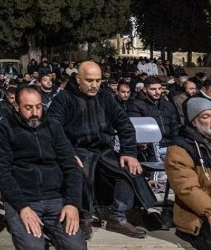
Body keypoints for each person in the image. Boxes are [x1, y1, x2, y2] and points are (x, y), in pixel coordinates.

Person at [48, 61, 156, 239]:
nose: (94, 85)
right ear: (78, 79)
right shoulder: (63, 99)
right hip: (77, 150)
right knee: (79, 171)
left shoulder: (106, 97)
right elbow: (53, 129)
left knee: (130, 169)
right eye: (89, 80)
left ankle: (117, 216)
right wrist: (67, 154)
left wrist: (128, 152)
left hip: (104, 150)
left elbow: (125, 125)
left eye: (98, 80)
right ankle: (83, 217)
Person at [0, 87, 86, 250]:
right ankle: (16, 223)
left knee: (76, 247)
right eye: (28, 108)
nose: (35, 113)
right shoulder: (4, 128)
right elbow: (2, 172)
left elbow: (71, 166)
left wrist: (72, 204)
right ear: (16, 106)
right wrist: (22, 207)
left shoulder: (53, 126)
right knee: (33, 247)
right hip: (24, 199)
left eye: (38, 106)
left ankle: (52, 232)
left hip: (55, 197)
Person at [167, 97, 211, 248]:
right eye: (206, 116)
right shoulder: (179, 148)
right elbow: (187, 189)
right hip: (198, 217)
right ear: (194, 121)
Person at [127, 75, 180, 160]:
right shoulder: (136, 105)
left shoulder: (168, 105)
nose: (157, 92)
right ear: (145, 89)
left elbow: (174, 127)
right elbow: (136, 129)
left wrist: (176, 144)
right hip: (150, 148)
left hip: (170, 146)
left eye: (159, 89)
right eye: (153, 89)